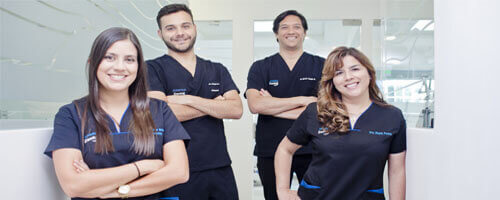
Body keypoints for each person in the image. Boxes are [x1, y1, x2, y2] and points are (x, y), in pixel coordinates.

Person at [44, 27, 190, 200]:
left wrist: (114, 190)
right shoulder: (71, 115)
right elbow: (74, 185)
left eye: (129, 59)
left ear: (138, 66)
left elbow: (179, 172)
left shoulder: (159, 110)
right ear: (93, 62)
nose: (120, 67)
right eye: (109, 58)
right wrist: (143, 167)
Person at [275, 47, 407, 200]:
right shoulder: (316, 112)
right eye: (339, 73)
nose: (348, 77)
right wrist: (283, 190)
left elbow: (397, 171)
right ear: (332, 81)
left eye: (355, 69)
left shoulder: (392, 117)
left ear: (369, 74)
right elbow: (285, 149)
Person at [146, 4, 243, 199]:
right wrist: (214, 106)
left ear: (195, 28)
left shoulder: (217, 69)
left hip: (219, 166)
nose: (179, 33)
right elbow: (158, 115)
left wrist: (189, 100)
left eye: (185, 26)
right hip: (175, 170)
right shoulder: (151, 69)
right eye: (170, 28)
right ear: (160, 33)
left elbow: (236, 109)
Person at [245, 10, 324, 200]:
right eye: (284, 27)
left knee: (317, 197)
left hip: (312, 148)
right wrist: (304, 101)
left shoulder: (322, 65)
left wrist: (273, 106)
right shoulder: (261, 67)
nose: (291, 31)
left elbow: (324, 109)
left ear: (304, 32)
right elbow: (255, 105)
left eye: (297, 26)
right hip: (271, 148)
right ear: (276, 34)